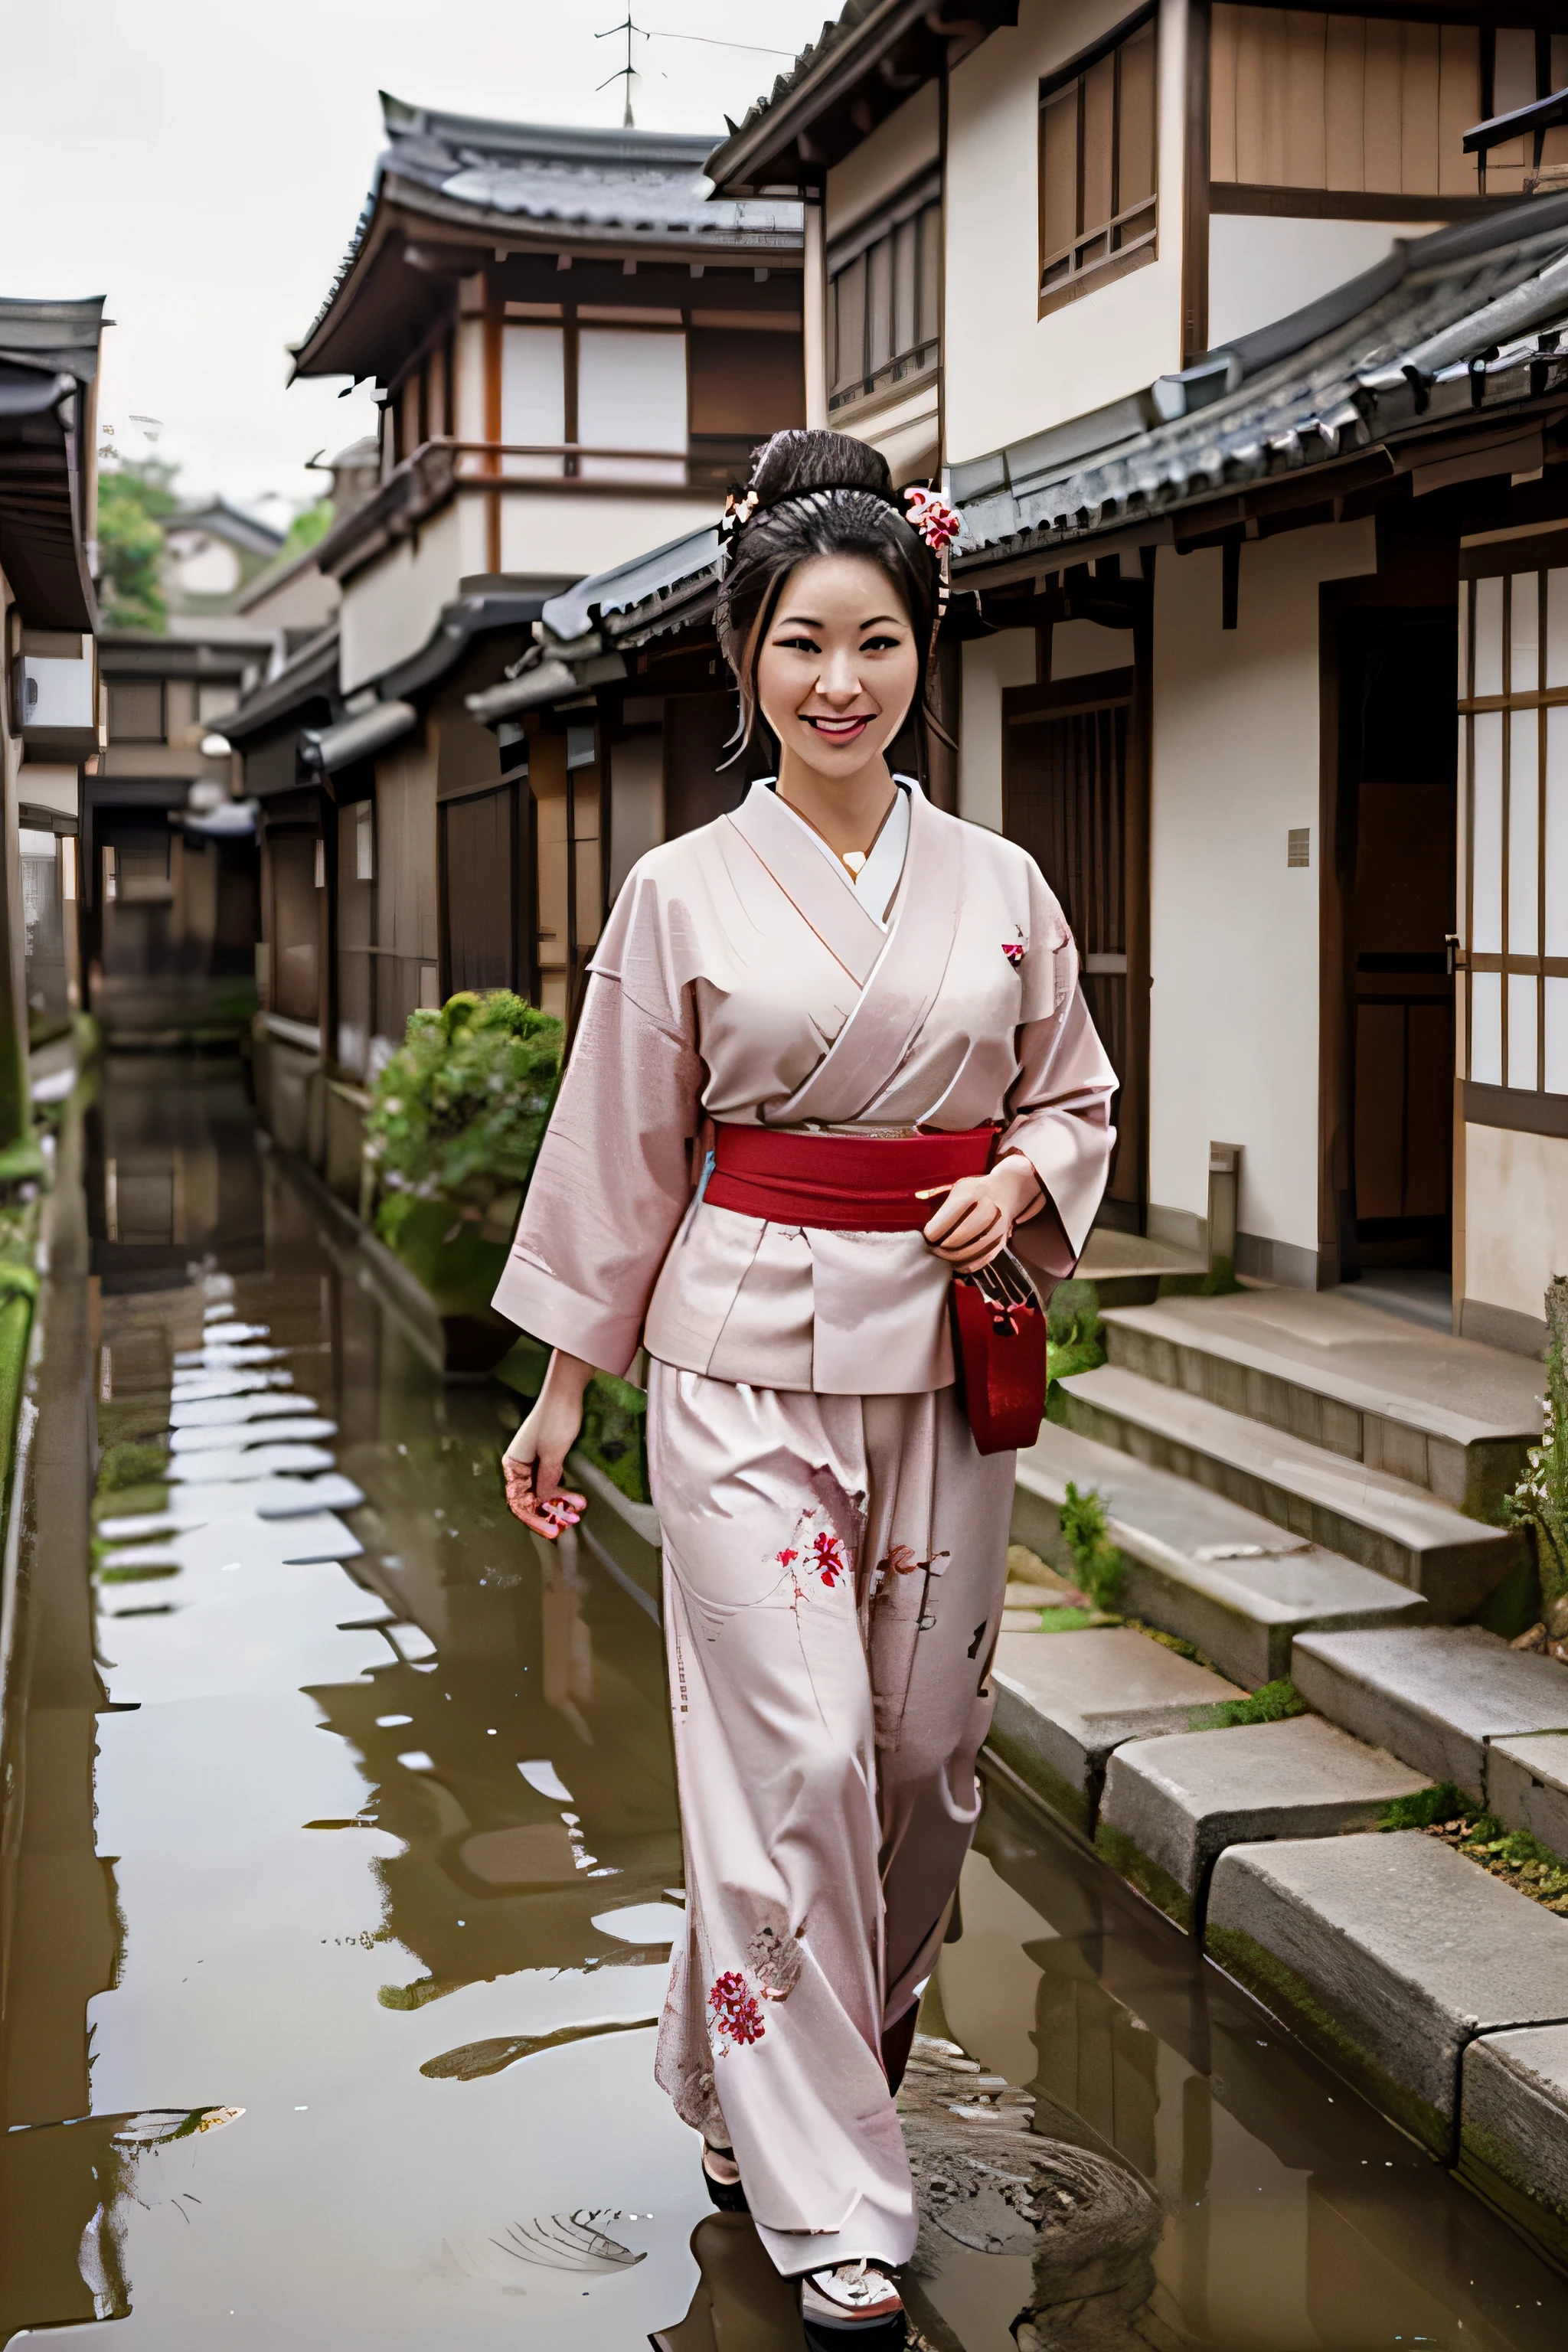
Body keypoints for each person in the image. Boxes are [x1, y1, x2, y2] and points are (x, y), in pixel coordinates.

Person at [495, 428, 1116, 2348]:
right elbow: (620, 1146)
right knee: (798, 1765)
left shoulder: (1003, 879)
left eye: (871, 642)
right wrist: (559, 1387)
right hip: (741, 1352)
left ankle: (733, 2064)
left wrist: (1022, 1176)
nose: (835, 683)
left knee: (923, 1764)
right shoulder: (681, 892)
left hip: (942, 1353)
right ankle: (840, 2191)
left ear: (923, 650)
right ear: (745, 663)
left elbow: (1072, 1092)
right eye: (796, 646)